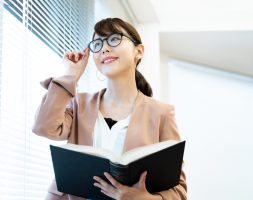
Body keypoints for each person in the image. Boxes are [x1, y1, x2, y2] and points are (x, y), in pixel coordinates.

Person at [32, 17, 187, 200]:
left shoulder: (162, 113)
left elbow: (178, 190)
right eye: (97, 43)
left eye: (114, 39)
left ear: (139, 51)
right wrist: (70, 75)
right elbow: (43, 126)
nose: (104, 48)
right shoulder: (78, 104)